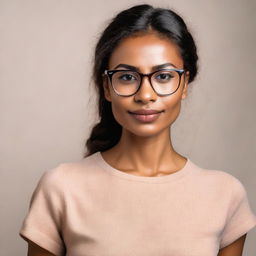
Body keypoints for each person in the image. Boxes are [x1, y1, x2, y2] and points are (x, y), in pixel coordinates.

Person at [19, 4, 256, 256]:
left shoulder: (225, 194)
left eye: (163, 76)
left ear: (184, 83)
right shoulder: (61, 188)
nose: (145, 95)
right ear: (107, 87)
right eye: (127, 77)